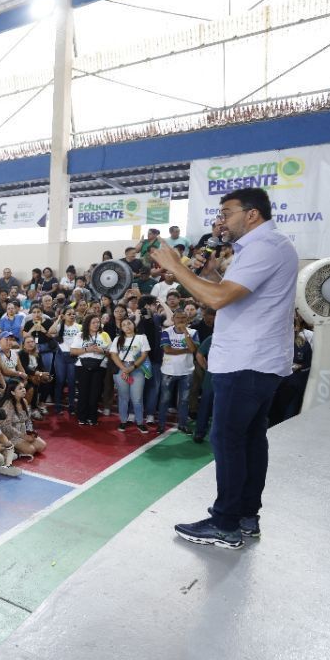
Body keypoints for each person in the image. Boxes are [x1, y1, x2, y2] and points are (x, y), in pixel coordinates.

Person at [150, 187, 298, 549]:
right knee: (249, 439)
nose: (221, 220)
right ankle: (246, 516)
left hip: (246, 360)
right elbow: (229, 294)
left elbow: (217, 300)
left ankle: (225, 523)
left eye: (227, 212)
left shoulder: (265, 247)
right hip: (258, 360)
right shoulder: (267, 247)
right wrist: (212, 274)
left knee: (228, 440)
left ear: (251, 214)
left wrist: (176, 268)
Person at [157, 310, 198, 433]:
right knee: (165, 399)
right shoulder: (166, 332)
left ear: (187, 320)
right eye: (178, 317)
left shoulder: (193, 332)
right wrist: (185, 350)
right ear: (173, 319)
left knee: (184, 400)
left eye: (183, 318)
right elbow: (167, 350)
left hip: (187, 371)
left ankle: (183, 424)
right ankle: (161, 424)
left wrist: (185, 332)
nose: (180, 320)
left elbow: (193, 349)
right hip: (168, 371)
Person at [109, 317, 150, 433]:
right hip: (122, 369)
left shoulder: (141, 337)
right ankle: (123, 421)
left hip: (137, 369)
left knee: (137, 398)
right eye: (124, 325)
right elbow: (114, 355)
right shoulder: (117, 339)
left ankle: (140, 422)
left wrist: (132, 368)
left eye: (129, 324)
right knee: (123, 397)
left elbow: (144, 354)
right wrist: (124, 369)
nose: (127, 326)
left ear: (134, 325)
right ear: (121, 328)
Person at [71, 315, 110, 426]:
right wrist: (87, 349)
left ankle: (93, 417)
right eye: (93, 322)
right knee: (83, 392)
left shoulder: (104, 335)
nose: (96, 324)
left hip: (100, 366)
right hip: (82, 366)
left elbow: (111, 352)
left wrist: (102, 350)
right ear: (88, 323)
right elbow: (72, 351)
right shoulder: (80, 335)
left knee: (95, 393)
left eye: (98, 322)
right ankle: (82, 417)